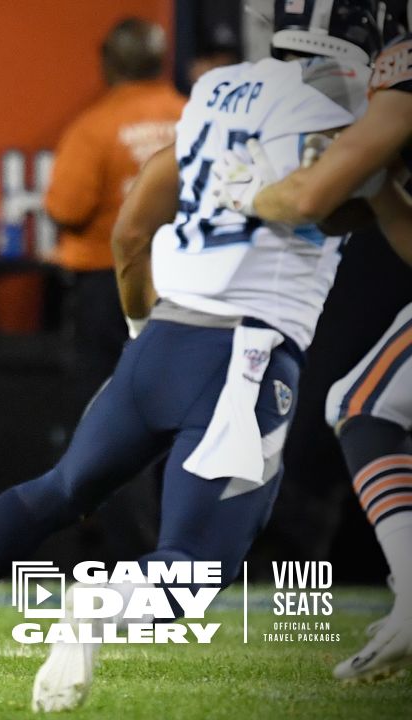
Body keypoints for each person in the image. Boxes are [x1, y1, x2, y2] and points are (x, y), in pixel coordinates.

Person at [0, 0, 382, 711]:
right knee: (195, 575)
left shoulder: (217, 92)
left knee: (58, 489)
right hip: (248, 356)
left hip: (163, 335)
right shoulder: (353, 105)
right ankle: (100, 603)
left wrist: (142, 333)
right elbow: (317, 199)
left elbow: (133, 228)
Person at [212, 0, 412, 683]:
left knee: (361, 404)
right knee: (364, 404)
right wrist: (372, 186)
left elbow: (304, 201)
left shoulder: (398, 68)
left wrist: (241, 192)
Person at [45, 17, 185, 406]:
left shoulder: (94, 129)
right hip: (191, 281)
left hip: (109, 283)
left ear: (108, 62)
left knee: (101, 401)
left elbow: (67, 210)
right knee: (179, 397)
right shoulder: (195, 117)